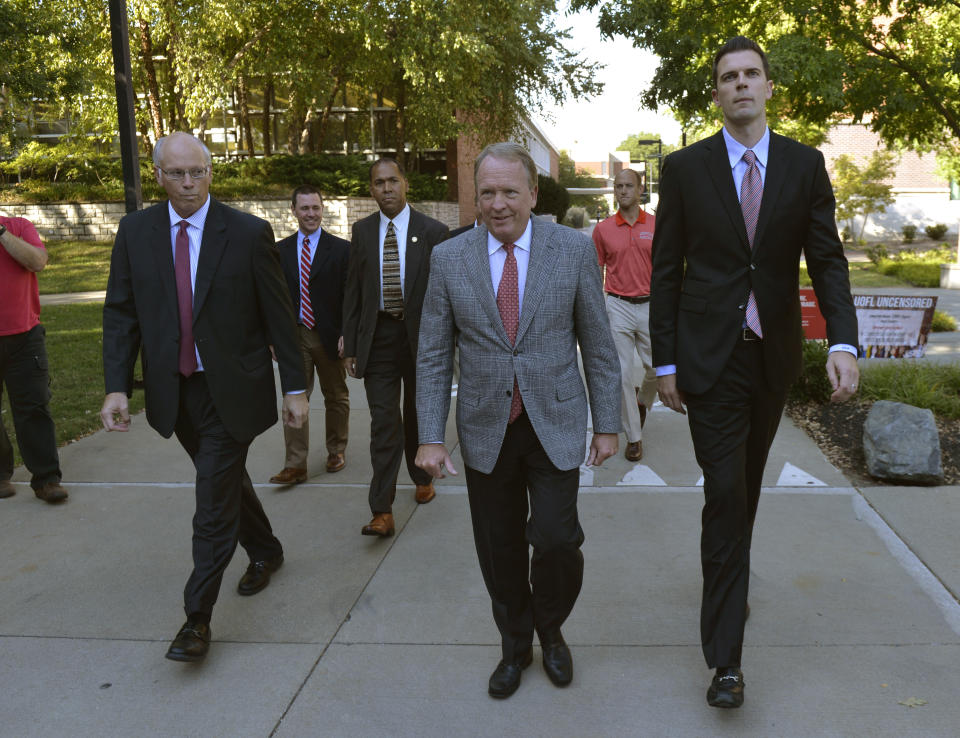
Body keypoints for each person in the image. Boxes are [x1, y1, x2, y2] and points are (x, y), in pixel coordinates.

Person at [650, 37, 860, 708]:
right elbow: (665, 270)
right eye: (727, 77)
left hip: (770, 359)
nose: (739, 85)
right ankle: (726, 662)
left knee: (745, 487)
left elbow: (826, 260)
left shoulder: (804, 165)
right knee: (725, 493)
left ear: (769, 87)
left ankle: (730, 579)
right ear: (716, 93)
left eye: (750, 75)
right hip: (708, 359)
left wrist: (843, 341)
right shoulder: (686, 169)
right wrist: (665, 361)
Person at [415, 142, 621, 699]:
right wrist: (431, 436)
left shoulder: (573, 251)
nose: (499, 203)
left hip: (553, 419)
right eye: (487, 192)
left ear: (533, 194)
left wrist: (608, 424)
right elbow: (433, 352)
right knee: (498, 547)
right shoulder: (449, 258)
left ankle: (549, 628)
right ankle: (515, 645)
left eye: (510, 191)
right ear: (475, 197)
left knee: (556, 540)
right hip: (486, 426)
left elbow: (599, 345)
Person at [100, 132, 308, 663]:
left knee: (211, 500)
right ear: (159, 175)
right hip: (177, 392)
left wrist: (297, 388)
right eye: (176, 174)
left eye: (198, 172)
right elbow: (122, 313)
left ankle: (197, 618)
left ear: (210, 172)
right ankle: (265, 549)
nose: (188, 184)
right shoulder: (135, 231)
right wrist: (117, 386)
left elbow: (279, 317)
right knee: (225, 479)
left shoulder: (246, 232)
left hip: (233, 389)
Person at [342, 157, 449, 537]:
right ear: (370, 189)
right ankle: (381, 509)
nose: (386, 189)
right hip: (379, 340)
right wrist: (350, 342)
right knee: (384, 425)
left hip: (422, 341)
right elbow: (353, 291)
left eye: (392, 181)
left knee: (417, 417)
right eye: (378, 183)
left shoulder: (434, 232)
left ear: (405, 184)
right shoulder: (362, 231)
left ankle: (422, 476)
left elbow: (444, 294)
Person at [269, 185, 351, 485]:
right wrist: (272, 337)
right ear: (293, 210)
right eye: (304, 208)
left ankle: (336, 450)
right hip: (294, 336)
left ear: (322, 209)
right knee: (294, 396)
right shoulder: (279, 251)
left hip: (329, 336)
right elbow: (273, 299)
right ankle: (295, 464)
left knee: (337, 396)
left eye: (316, 207)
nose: (311, 213)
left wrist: (347, 334)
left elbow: (349, 297)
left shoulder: (342, 249)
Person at [0, 214, 68, 504]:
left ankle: (46, 479)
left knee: (34, 408)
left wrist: (1, 233)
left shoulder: (18, 226)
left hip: (24, 337)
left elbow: (37, 261)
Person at [592, 168, 658, 461]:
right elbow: (596, 270)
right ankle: (634, 437)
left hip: (650, 305)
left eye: (628, 186)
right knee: (620, 373)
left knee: (657, 368)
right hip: (617, 305)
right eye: (618, 186)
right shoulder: (603, 229)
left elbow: (667, 269)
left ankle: (642, 401)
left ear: (640, 190)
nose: (622, 191)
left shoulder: (658, 225)